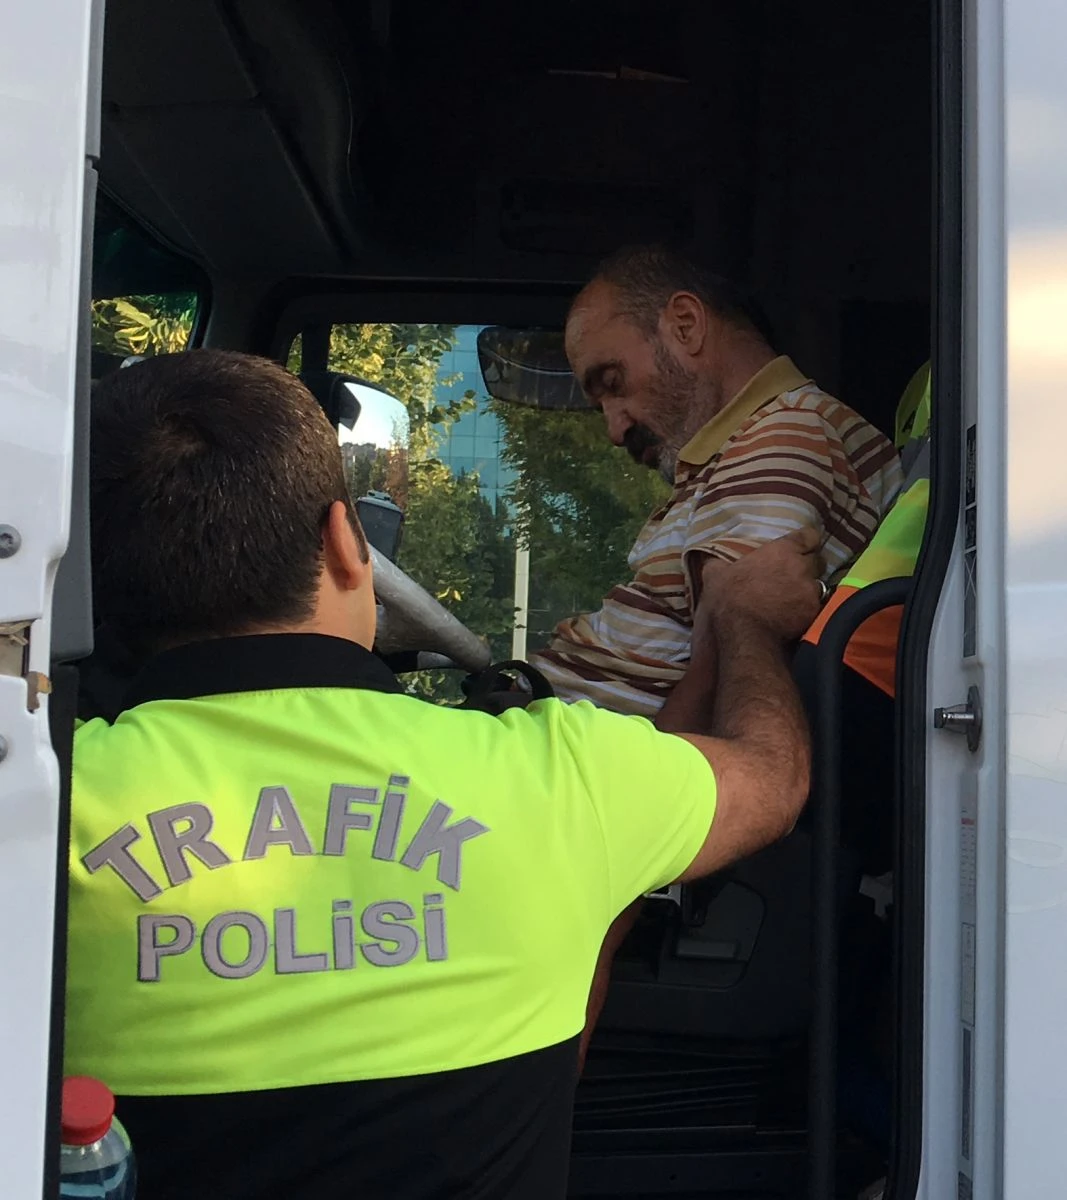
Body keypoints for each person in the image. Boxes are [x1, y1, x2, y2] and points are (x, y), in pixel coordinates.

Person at [65, 349, 823, 1200]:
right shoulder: (558, 777)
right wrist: (746, 621)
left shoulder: (45, 807)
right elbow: (770, 779)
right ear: (349, 544)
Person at [524, 245, 904, 1060]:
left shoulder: (785, 441)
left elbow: (712, 679)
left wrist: (612, 868)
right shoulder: (727, 462)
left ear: (686, 325)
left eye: (609, 382)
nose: (612, 425)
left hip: (577, 813)